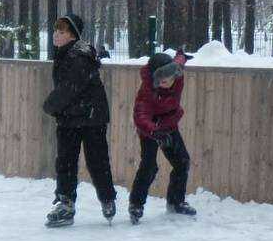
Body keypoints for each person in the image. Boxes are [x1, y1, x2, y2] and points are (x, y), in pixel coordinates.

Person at [42, 13, 116, 227]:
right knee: (65, 161)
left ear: (72, 35)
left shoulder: (78, 56)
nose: (56, 34)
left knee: (97, 160)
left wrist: (50, 105)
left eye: (61, 31)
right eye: (55, 30)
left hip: (91, 117)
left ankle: (107, 198)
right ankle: (65, 202)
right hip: (70, 118)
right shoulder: (64, 53)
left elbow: (69, 88)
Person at [130, 50, 197, 222]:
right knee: (149, 166)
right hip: (150, 129)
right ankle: (136, 204)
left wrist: (182, 55)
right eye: (162, 79)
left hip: (169, 124)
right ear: (154, 78)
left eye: (170, 76)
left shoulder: (177, 73)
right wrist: (155, 132)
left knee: (182, 161)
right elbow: (140, 116)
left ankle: (176, 202)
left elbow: (179, 61)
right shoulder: (147, 92)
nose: (167, 81)